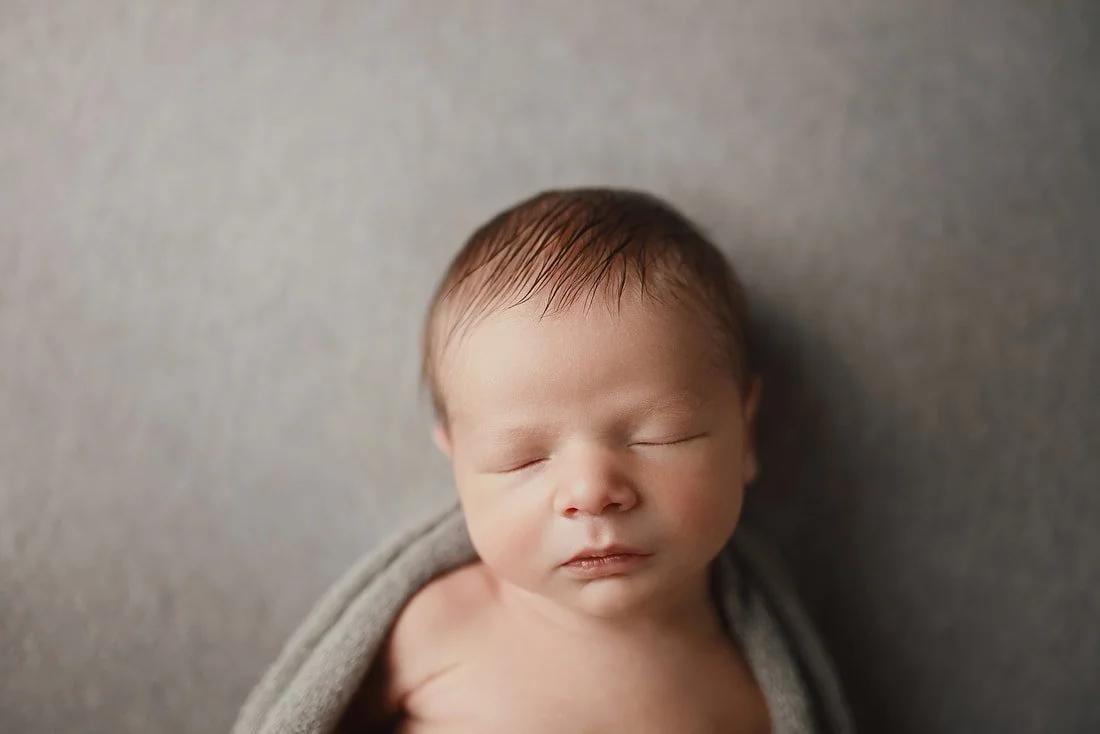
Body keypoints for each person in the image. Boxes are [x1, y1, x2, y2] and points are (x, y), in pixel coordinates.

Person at [353, 187, 780, 732]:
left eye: (660, 437)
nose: (591, 491)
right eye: (522, 459)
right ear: (458, 466)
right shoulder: (434, 628)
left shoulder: (744, 683)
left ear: (744, 436)